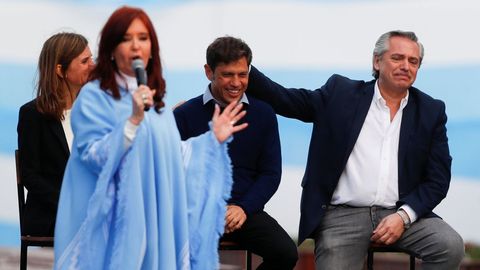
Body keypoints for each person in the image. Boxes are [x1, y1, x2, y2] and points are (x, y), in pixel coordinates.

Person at [246, 30, 464, 269]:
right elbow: (286, 100)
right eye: (397, 58)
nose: (405, 66)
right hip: (342, 216)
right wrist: (244, 67)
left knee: (450, 246)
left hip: (401, 213)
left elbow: (438, 179)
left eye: (413, 61)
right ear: (377, 61)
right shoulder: (341, 94)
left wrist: (404, 216)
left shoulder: (431, 111)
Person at [53, 6, 247, 270]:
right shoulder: (94, 97)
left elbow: (170, 157)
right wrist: (131, 121)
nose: (136, 46)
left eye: (143, 38)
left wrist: (210, 141)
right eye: (126, 38)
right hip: (115, 226)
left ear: (152, 48)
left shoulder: (156, 104)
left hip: (154, 217)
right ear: (111, 48)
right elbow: (92, 157)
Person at [174, 36, 298, 269]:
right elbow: (172, 173)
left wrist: (243, 208)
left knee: (286, 253)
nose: (236, 82)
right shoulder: (184, 115)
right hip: (194, 215)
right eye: (228, 74)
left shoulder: (264, 114)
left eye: (243, 74)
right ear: (208, 72)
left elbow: (270, 173)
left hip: (244, 211)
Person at [17, 32, 94, 237]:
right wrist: (70, 204)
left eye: (91, 59)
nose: (93, 66)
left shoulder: (94, 111)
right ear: (60, 70)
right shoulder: (33, 114)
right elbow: (30, 175)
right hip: (52, 214)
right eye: (85, 61)